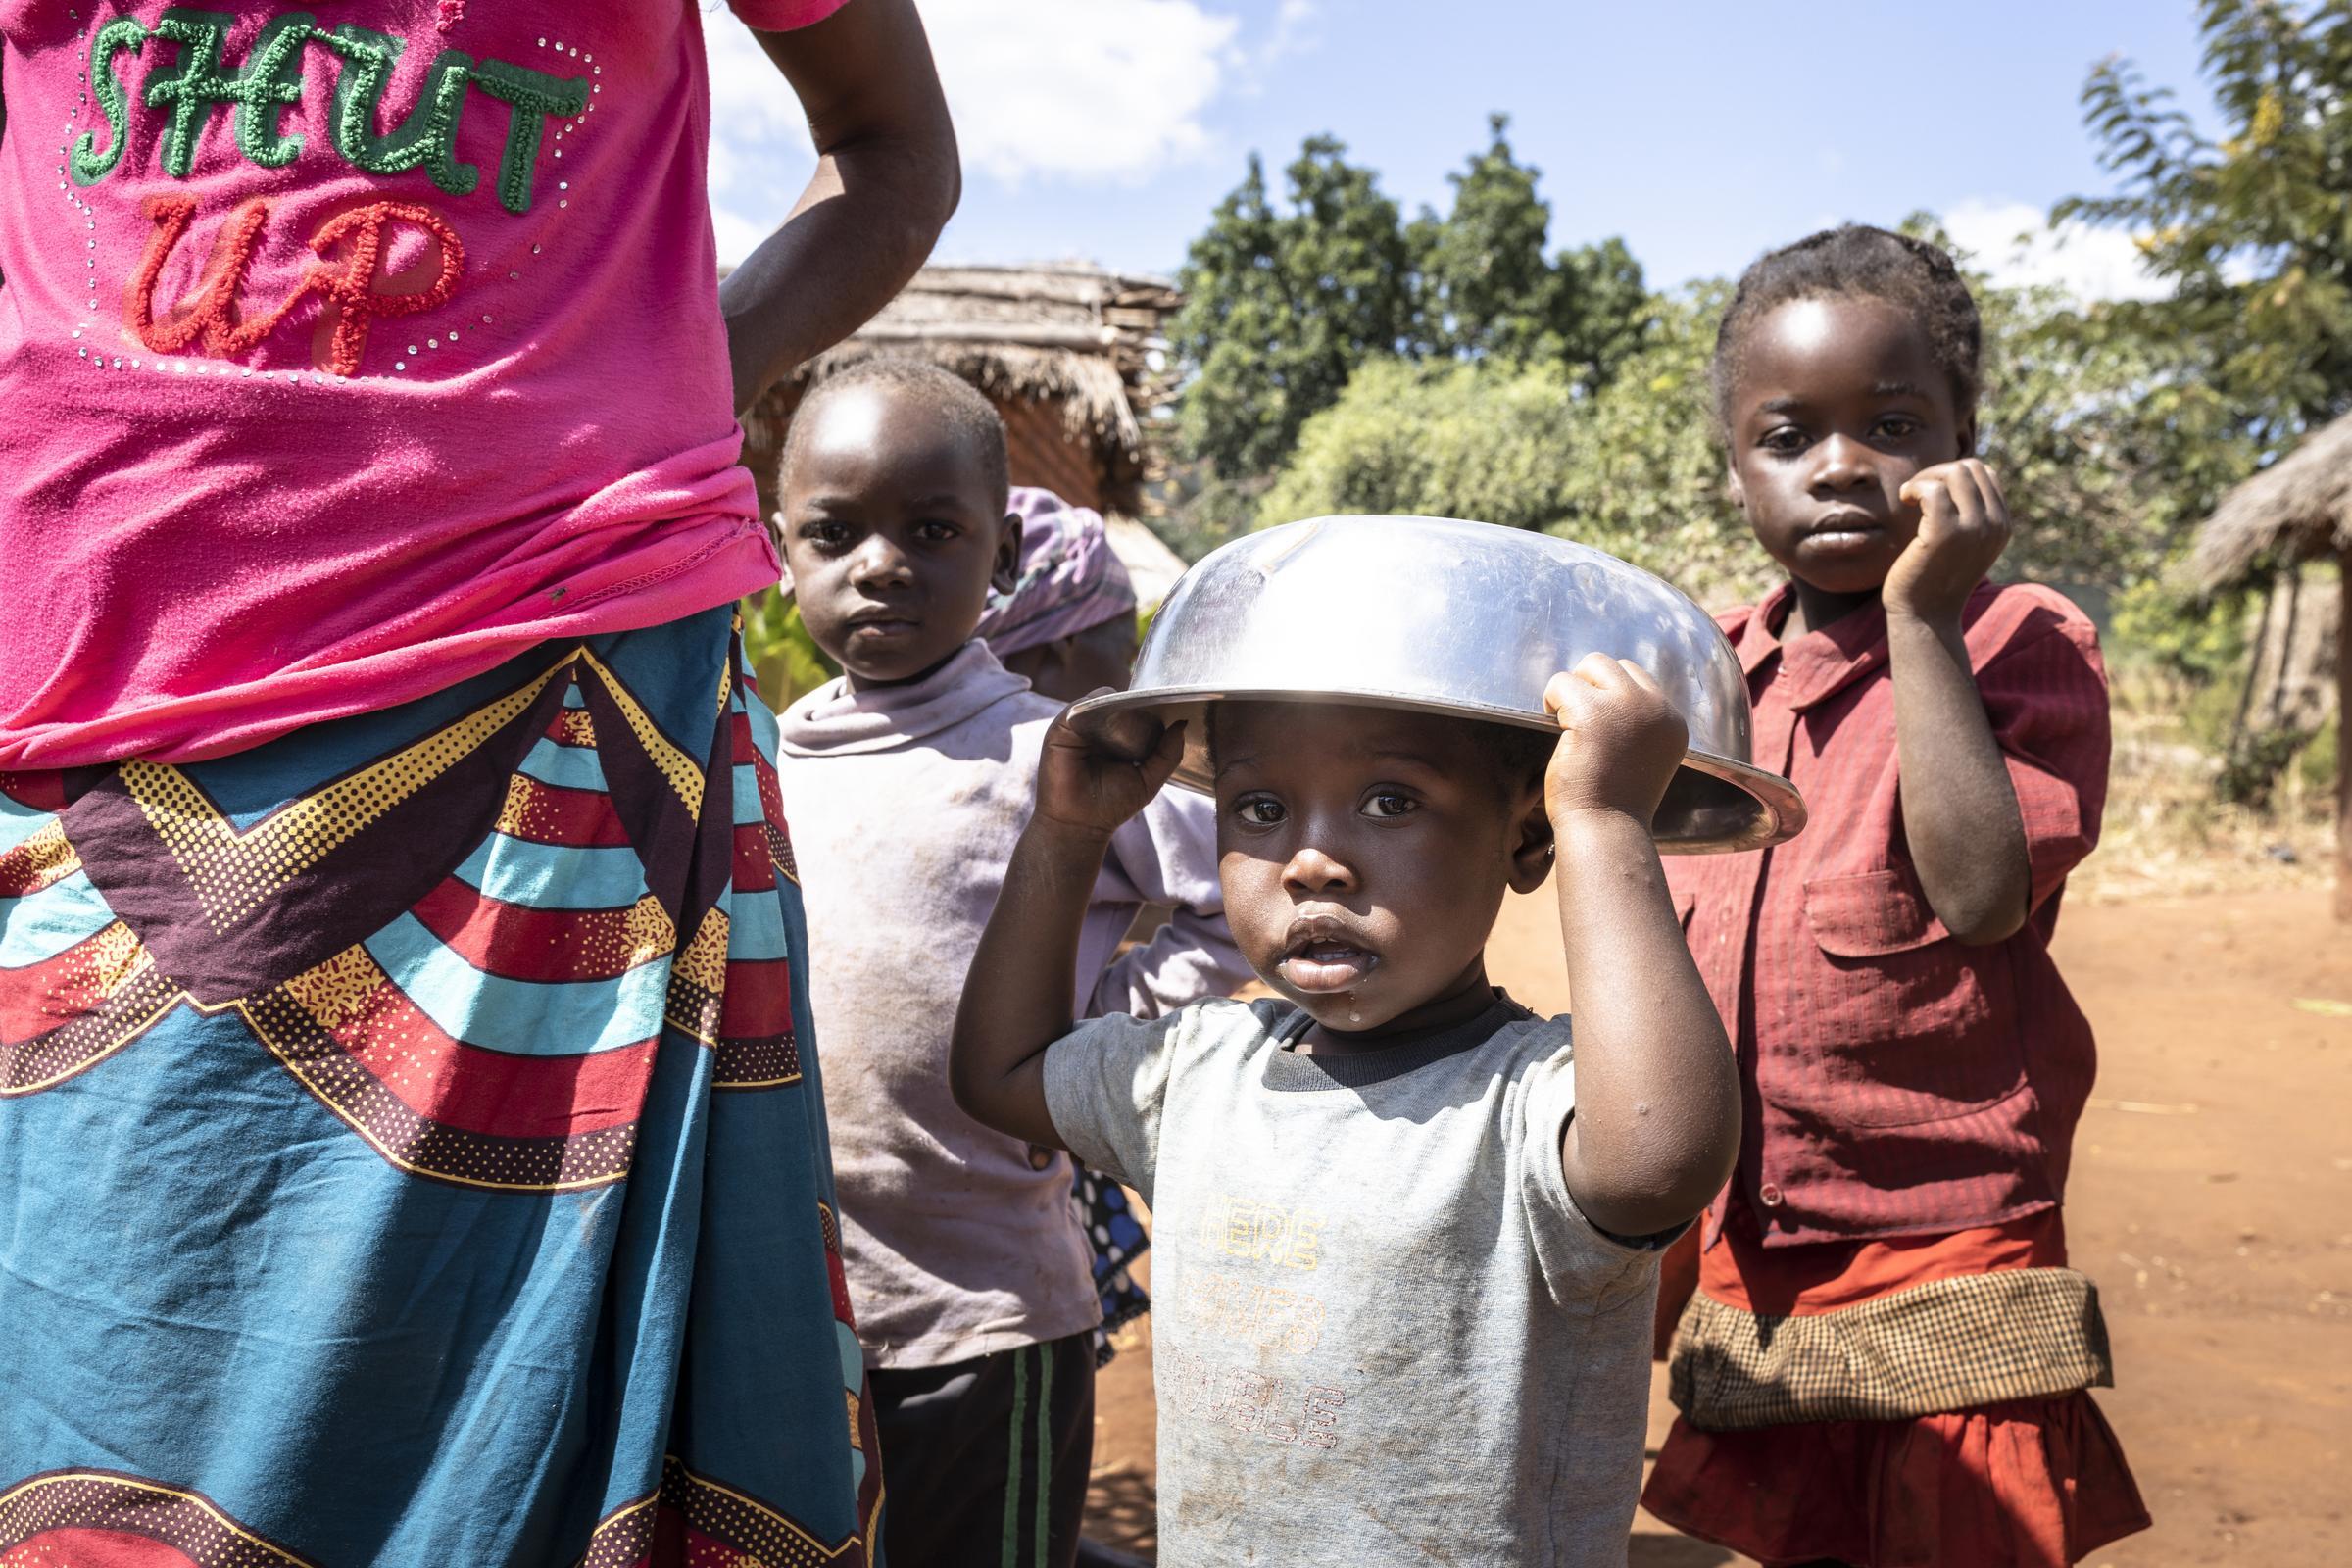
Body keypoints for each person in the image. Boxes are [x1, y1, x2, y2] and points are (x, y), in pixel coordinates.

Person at [0, 2, 955, 1563]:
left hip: (552, 714)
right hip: (75, 738)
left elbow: (893, 149)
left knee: (513, 1447)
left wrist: (653, 380)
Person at [949, 630, 1745, 1565]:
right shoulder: (1200, 1072)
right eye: (1260, 808)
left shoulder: (1530, 1104)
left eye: (1389, 801)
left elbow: (1660, 1159)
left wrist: (1604, 823)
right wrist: (1067, 832)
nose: (1310, 863)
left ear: (1528, 838)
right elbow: (1002, 1071)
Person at [1638, 226, 2149, 1568]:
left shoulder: (2019, 638)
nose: (1841, 465)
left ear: (1965, 440)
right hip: (1751, 1240)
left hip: (1952, 1233)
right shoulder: (1706, 676)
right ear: (1736, 466)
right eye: (1788, 436)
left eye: (1894, 425)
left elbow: (1980, 894)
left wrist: (1924, 616)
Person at [772, 360, 1250, 1568]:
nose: (881, 564)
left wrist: (1087, 1036)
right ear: (781, 556)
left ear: (1001, 558)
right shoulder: (763, 760)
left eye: (933, 531)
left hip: (988, 1316)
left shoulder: (1051, 752)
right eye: (835, 532)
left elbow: (1230, 901)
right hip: (793, 1313)